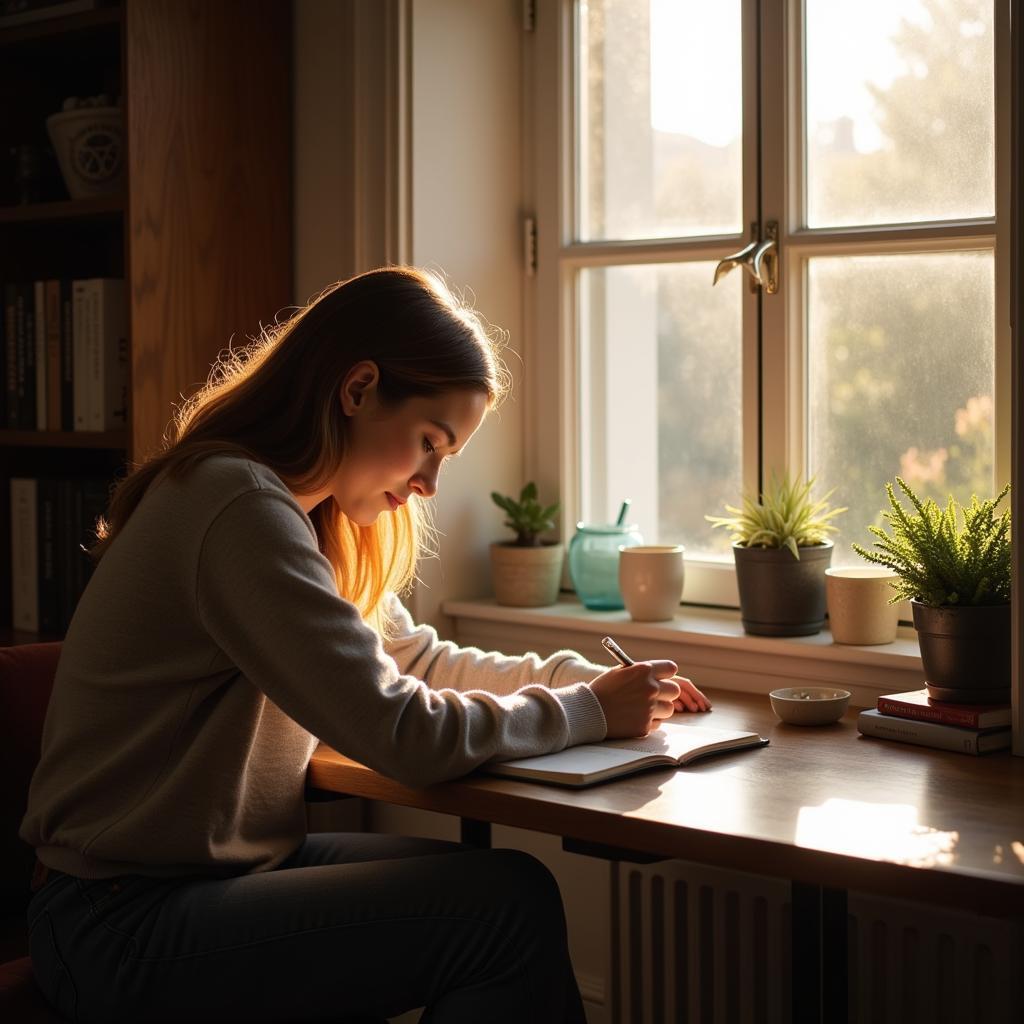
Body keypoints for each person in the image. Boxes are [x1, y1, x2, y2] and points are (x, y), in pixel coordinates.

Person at [20, 266, 710, 1023]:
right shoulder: (234, 507)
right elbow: (403, 732)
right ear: (357, 390)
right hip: (122, 918)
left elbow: (417, 662)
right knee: (502, 909)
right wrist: (585, 709)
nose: (430, 483)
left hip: (208, 879)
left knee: (510, 890)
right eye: (427, 442)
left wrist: (586, 680)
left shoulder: (296, 515)